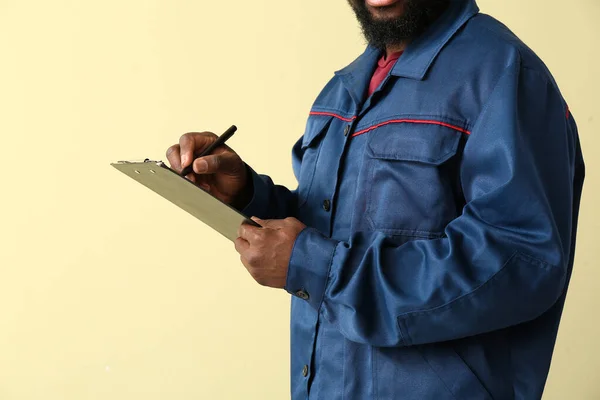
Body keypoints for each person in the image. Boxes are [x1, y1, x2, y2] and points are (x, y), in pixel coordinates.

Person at [166, 0, 585, 398]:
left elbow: (521, 261)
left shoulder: (504, 74)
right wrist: (247, 195)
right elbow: (334, 228)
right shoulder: (342, 89)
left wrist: (319, 270)